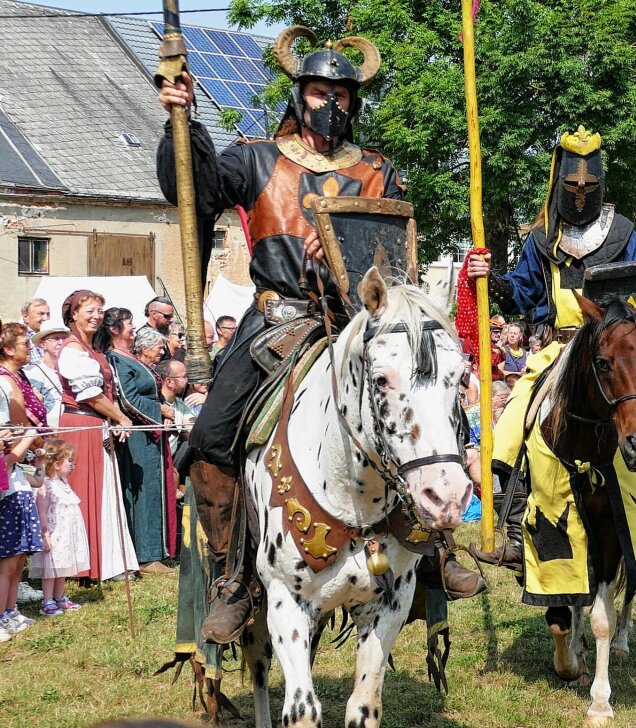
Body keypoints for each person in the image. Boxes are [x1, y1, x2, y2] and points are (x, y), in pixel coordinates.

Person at [157, 26, 481, 644]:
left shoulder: (377, 170)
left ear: (354, 101)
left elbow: (395, 264)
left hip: (359, 319)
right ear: (298, 94)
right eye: (317, 91)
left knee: (426, 406)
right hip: (280, 320)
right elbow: (186, 190)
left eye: (341, 93)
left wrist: (343, 253)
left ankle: (432, 548)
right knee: (209, 438)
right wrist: (185, 121)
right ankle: (235, 578)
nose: (329, 103)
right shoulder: (254, 158)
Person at [467, 126, 636, 574]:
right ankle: (510, 525)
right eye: (571, 186)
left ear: (600, 184)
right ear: (559, 183)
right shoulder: (543, 238)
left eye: (587, 186)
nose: (580, 194)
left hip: (615, 351)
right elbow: (524, 293)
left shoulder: (623, 234)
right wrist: (493, 277)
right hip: (559, 348)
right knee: (514, 419)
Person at [55, 291, 138, 582]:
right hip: (80, 425)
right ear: (73, 315)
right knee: (86, 493)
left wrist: (114, 418)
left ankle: (106, 560)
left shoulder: (92, 349)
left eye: (100, 310)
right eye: (89, 310)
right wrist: (121, 417)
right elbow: (89, 394)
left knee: (104, 491)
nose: (96, 315)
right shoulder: (72, 350)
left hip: (94, 425)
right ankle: (86, 565)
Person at [106, 321, 176, 574]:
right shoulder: (118, 360)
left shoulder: (137, 363)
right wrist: (160, 410)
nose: (161, 352)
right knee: (144, 491)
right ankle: (146, 555)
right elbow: (128, 399)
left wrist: (163, 411)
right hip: (138, 435)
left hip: (150, 432)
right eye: (158, 347)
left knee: (155, 488)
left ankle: (157, 551)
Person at [0, 323, 46, 639]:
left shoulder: (13, 381)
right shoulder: (4, 382)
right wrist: (26, 438)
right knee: (7, 556)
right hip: (8, 476)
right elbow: (8, 451)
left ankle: (11, 610)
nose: (29, 348)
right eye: (24, 343)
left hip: (16, 479)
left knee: (17, 556)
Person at [30, 439, 89, 616]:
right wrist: (45, 534)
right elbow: (41, 511)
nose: (73, 464)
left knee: (62, 567)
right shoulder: (47, 485)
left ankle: (59, 596)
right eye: (69, 461)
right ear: (56, 464)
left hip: (66, 536)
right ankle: (47, 600)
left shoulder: (63, 482)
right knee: (51, 568)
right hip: (54, 534)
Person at [23, 321, 69, 429]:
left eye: (64, 338)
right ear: (43, 344)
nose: (61, 342)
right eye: (56, 338)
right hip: (49, 433)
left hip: (73, 428)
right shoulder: (32, 372)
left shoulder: (72, 368)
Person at [21, 298, 50, 365]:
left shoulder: (53, 336)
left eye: (48, 314)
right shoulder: (21, 338)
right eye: (41, 314)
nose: (46, 318)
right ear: (26, 317)